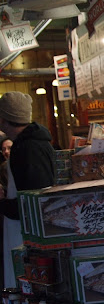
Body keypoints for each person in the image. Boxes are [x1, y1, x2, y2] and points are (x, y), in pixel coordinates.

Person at [0, 92, 55, 288]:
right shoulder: (33, 143)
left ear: (4, 119)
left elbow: (31, 202)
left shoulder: (28, 148)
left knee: (25, 284)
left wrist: (3, 203)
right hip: (28, 232)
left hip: (26, 235)